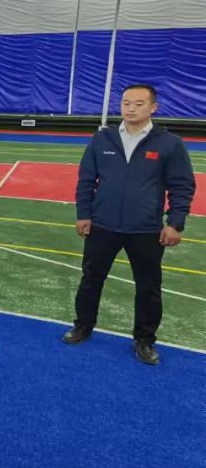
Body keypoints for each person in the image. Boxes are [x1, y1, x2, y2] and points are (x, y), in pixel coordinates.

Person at [62, 84, 195, 365]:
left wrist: (175, 223)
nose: (131, 108)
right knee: (91, 279)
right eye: (126, 103)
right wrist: (84, 214)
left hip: (146, 230)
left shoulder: (169, 143)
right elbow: (86, 180)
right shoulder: (102, 139)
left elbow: (182, 186)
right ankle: (83, 325)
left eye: (138, 103)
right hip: (102, 226)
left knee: (148, 287)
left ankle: (144, 340)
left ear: (153, 107)